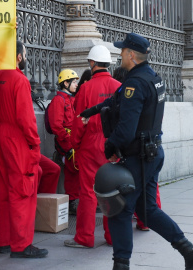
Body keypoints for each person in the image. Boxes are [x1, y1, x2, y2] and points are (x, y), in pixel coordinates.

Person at [80, 32, 193, 270]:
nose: (120, 56)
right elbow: (115, 100)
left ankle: (121, 265)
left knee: (120, 211)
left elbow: (127, 128)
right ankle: (190, 251)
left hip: (137, 157)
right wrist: (92, 111)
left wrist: (110, 146)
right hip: (152, 153)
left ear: (131, 55)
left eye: (122, 52)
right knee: (147, 209)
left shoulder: (134, 84)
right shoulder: (151, 78)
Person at [0, 40, 48, 258]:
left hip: (1, 136)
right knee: (23, 189)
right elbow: (25, 118)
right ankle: (21, 245)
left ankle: (3, 240)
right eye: (25, 53)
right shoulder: (19, 80)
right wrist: (34, 143)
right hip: (17, 138)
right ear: (18, 57)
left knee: (2, 191)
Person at [64, 45, 121, 248]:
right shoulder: (118, 86)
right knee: (111, 192)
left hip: (89, 144)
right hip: (111, 144)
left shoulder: (86, 88)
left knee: (88, 192)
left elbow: (78, 121)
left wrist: (75, 145)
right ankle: (112, 236)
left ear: (92, 63)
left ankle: (85, 237)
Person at [111, 66, 162, 231]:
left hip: (132, 148)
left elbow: (126, 128)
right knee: (150, 200)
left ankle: (118, 249)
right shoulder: (154, 83)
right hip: (152, 146)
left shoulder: (130, 88)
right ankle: (183, 244)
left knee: (122, 203)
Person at [47, 69, 80, 214]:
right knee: (72, 172)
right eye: (74, 82)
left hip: (74, 141)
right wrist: (68, 147)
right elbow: (56, 126)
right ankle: (72, 202)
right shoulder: (58, 100)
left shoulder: (71, 99)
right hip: (66, 143)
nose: (76, 85)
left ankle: (75, 200)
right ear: (65, 83)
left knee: (76, 171)